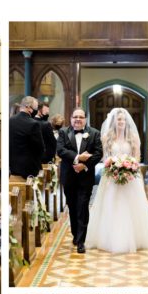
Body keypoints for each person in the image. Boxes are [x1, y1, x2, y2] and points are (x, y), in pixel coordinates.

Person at [84, 108, 148, 254]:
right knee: (111, 205)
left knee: (129, 206)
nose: (121, 122)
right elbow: (104, 158)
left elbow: (137, 158)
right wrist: (113, 165)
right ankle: (108, 238)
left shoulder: (133, 137)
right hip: (111, 176)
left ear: (126, 122)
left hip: (130, 177)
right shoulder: (107, 137)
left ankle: (134, 238)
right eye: (118, 119)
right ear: (114, 121)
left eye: (123, 119)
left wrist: (129, 166)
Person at [57, 108, 103, 254]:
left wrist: (84, 165)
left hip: (85, 177)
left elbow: (98, 153)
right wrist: (77, 158)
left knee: (82, 206)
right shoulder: (64, 132)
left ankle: (81, 241)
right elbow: (60, 150)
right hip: (68, 176)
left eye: (80, 117)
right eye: (75, 117)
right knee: (72, 206)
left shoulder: (94, 133)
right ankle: (76, 234)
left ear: (85, 119)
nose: (77, 119)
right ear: (71, 118)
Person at [9, 96, 45, 179]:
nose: (36, 111)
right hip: (29, 171)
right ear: (28, 107)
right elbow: (40, 148)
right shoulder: (33, 124)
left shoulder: (10, 121)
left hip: (12, 168)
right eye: (35, 108)